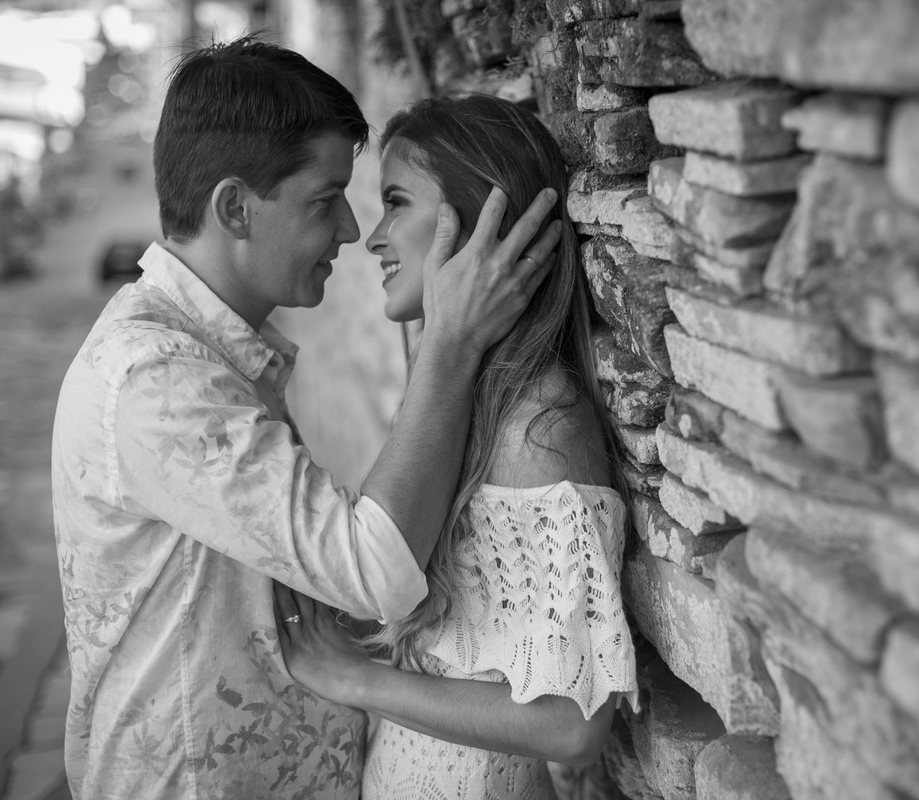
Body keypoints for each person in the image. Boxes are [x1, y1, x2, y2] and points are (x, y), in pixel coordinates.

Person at [50, 40, 560, 800]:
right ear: (235, 208)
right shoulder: (158, 381)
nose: (352, 232)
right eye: (325, 201)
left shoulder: (214, 356)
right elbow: (373, 572)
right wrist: (451, 343)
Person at [274, 93, 640, 800]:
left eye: (396, 204)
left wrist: (352, 678)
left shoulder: (539, 426)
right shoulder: (462, 406)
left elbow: (572, 723)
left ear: (475, 225)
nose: (373, 239)